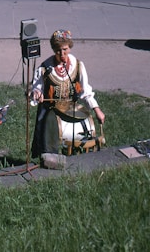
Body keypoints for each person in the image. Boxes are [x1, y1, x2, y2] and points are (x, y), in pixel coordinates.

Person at [30, 29, 105, 168]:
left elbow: (86, 91)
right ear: (53, 50)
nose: (62, 54)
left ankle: (74, 163)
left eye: (65, 49)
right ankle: (48, 163)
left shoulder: (78, 65)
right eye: (58, 51)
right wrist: (37, 94)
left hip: (71, 110)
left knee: (78, 136)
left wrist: (97, 109)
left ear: (69, 47)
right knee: (47, 142)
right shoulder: (45, 68)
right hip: (49, 111)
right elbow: (36, 88)